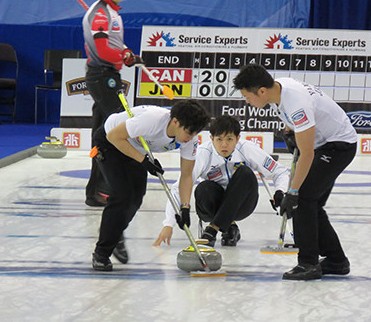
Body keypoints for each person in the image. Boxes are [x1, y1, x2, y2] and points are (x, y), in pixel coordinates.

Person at [233, 64, 357, 281]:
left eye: (247, 96)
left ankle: (308, 263)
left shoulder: (296, 103)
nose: (247, 102)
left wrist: (292, 191)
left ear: (261, 91)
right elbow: (298, 125)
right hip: (325, 143)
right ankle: (336, 261)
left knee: (303, 199)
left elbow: (307, 154)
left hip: (339, 146)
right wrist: (291, 132)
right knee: (312, 202)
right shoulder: (279, 89)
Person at [91, 99, 210, 271]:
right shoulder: (152, 120)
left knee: (136, 197)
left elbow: (186, 176)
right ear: (175, 122)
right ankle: (101, 253)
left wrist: (184, 207)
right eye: (188, 132)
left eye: (195, 133)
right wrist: (144, 161)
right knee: (122, 195)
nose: (190, 138)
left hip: (137, 148)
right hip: (111, 142)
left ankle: (114, 233)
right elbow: (113, 137)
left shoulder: (189, 138)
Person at [153, 115, 289, 248]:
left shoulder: (247, 148)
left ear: (237, 139)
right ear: (211, 138)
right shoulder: (202, 153)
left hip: (242, 205)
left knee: (246, 173)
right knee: (203, 188)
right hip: (211, 206)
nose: (224, 144)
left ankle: (212, 230)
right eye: (219, 139)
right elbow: (180, 187)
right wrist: (168, 224)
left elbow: (280, 171)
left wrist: (280, 191)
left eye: (230, 139)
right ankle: (230, 227)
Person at [82, 0, 143, 207]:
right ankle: (109, 187)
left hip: (107, 75)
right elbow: (102, 51)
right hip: (102, 76)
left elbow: (112, 48)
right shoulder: (101, 13)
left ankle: (95, 191)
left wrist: (125, 56)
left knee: (101, 132)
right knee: (116, 129)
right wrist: (123, 58)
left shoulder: (112, 12)